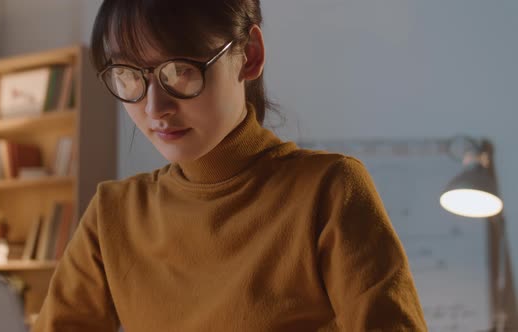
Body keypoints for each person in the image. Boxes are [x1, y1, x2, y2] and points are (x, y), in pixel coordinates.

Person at [33, 1, 428, 331]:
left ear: (249, 55)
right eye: (128, 76)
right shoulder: (112, 214)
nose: (155, 108)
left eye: (180, 71)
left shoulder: (328, 190)